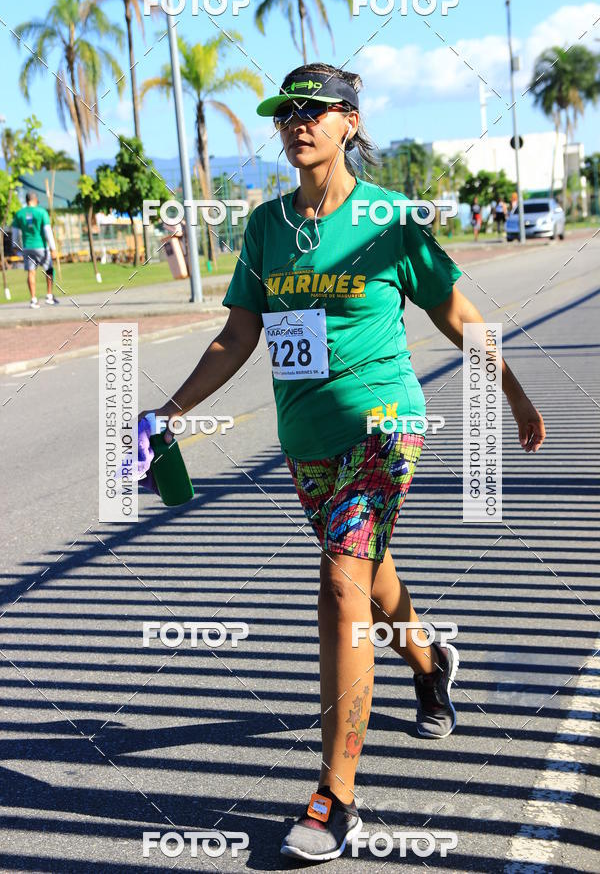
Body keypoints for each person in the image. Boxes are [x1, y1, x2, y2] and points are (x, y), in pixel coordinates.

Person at [140, 62, 546, 863]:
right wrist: (170, 412)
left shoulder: (392, 219)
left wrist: (515, 393)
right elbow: (239, 335)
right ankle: (431, 662)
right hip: (307, 440)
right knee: (370, 571)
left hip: (386, 425)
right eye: (288, 112)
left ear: (349, 123)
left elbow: (457, 312)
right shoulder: (263, 227)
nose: (299, 123)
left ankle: (336, 797)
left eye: (315, 111)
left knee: (339, 579)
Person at [11, 192, 59, 308]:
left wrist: (15, 246)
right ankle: (49, 296)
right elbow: (47, 231)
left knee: (31, 272)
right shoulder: (42, 212)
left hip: (27, 247)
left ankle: (33, 299)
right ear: (35, 199)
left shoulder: (19, 214)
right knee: (49, 270)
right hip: (41, 247)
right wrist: (53, 248)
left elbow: (16, 233)